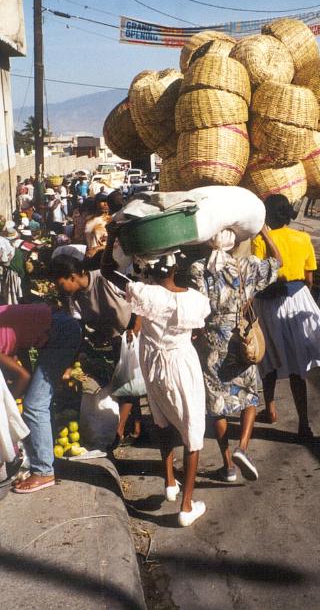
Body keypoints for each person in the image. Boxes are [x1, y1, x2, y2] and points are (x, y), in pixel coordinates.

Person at [101, 223, 211, 527]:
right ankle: (187, 506)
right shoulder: (195, 300)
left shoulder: (145, 295)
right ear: (177, 270)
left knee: (161, 419)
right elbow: (199, 331)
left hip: (152, 363)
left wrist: (112, 235)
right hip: (181, 363)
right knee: (193, 431)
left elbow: (107, 269)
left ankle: (170, 482)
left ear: (151, 271)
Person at [188, 227, 281, 482]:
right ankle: (243, 448)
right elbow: (277, 262)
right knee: (250, 396)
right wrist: (264, 232)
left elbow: (199, 306)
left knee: (217, 405)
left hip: (212, 341)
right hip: (242, 339)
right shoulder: (248, 265)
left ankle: (228, 465)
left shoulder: (198, 268)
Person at [252, 195, 320, 441]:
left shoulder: (261, 241)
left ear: (267, 217)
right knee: (297, 366)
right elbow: (310, 279)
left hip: (269, 304)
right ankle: (304, 424)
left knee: (268, 357)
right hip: (299, 298)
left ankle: (270, 408)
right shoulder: (303, 238)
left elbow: (259, 276)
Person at [49, 254, 142, 445]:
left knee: (130, 383)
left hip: (132, 335)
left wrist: (135, 327)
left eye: (61, 284)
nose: (60, 290)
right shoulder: (74, 297)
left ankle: (120, 430)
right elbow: (78, 326)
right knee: (125, 383)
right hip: (109, 340)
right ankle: (131, 428)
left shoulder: (105, 277)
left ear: (72, 277)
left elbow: (139, 298)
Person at [0, 303, 82, 493]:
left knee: (34, 404)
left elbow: (23, 377)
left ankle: (44, 472)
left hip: (60, 332)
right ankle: (45, 461)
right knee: (38, 401)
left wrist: (7, 405)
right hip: (57, 327)